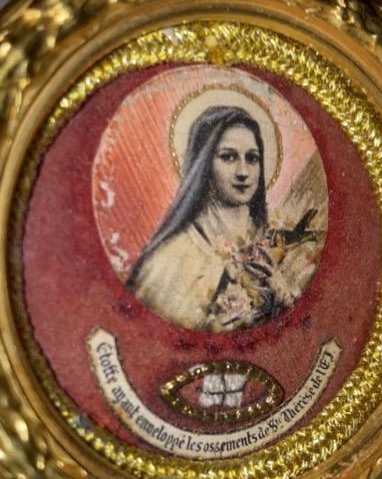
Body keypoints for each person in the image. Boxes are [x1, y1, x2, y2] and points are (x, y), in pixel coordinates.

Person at [127, 105, 314, 331]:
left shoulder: (270, 240)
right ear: (204, 164)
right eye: (228, 157)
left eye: (252, 158)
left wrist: (279, 292)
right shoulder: (169, 259)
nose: (243, 172)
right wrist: (208, 332)